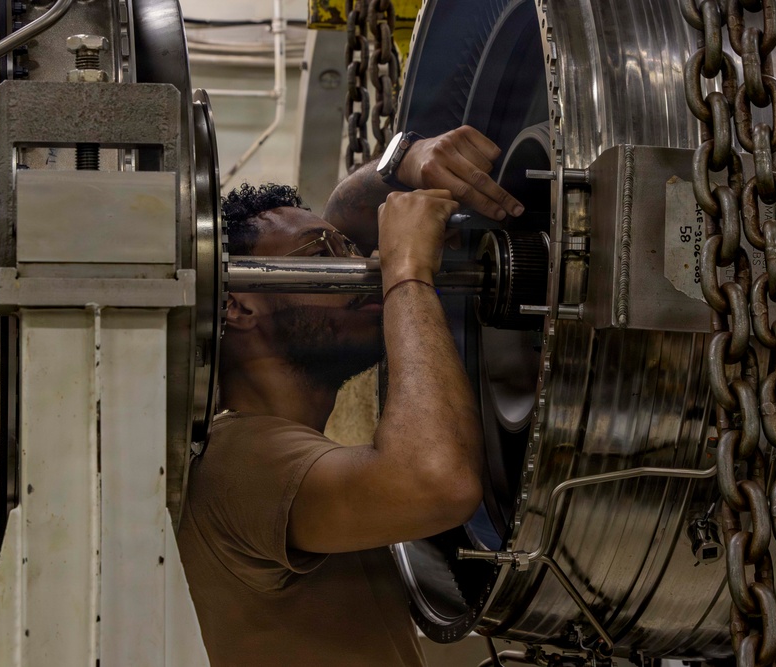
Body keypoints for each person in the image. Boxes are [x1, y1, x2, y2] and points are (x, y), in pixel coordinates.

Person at [177, 126, 525, 666]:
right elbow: (437, 481)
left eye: (354, 252)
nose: (362, 268)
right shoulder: (235, 462)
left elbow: (347, 211)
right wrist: (408, 272)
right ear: (239, 306)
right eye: (323, 254)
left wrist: (405, 160)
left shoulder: (287, 447)